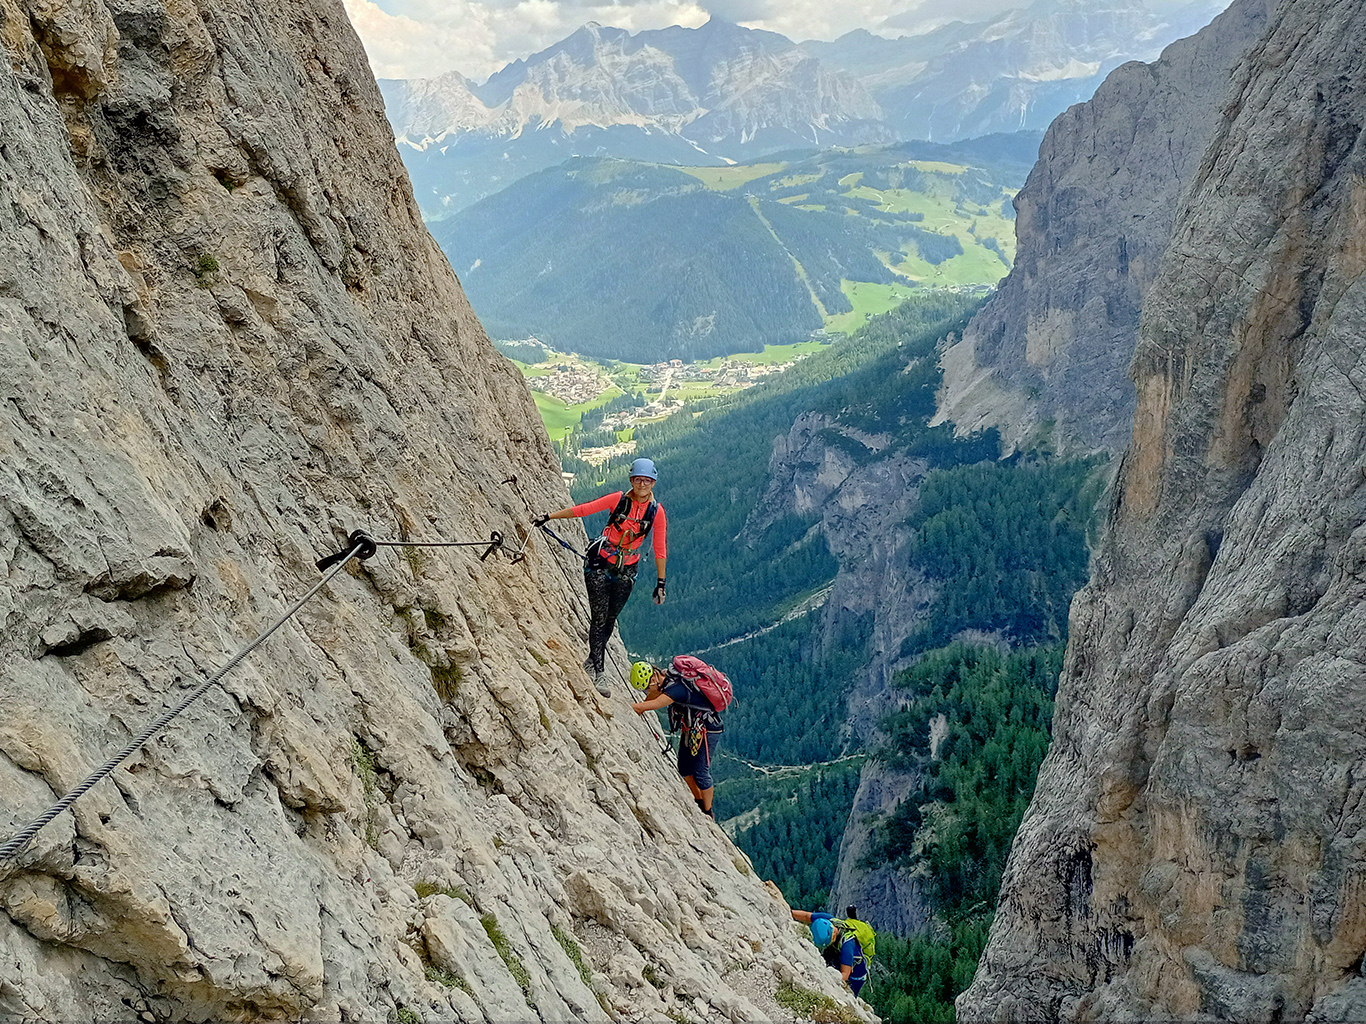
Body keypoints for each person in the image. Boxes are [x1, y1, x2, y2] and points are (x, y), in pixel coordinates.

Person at [535, 458, 666, 696]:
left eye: (647, 480)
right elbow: (584, 509)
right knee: (599, 617)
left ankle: (592, 660)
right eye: (638, 479)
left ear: (653, 483)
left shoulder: (656, 512)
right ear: (632, 480)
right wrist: (549, 517)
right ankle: (599, 670)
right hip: (600, 564)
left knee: (609, 619)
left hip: (627, 570)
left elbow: (660, 547)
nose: (642, 484)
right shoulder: (617, 500)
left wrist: (661, 582)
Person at [630, 659, 723, 818]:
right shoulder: (667, 678)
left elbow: (658, 702)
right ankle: (698, 802)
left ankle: (708, 812)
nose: (646, 691)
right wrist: (642, 704)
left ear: (653, 679)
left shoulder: (676, 688)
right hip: (693, 728)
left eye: (646, 688)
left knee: (700, 772)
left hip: (708, 729)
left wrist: (634, 707)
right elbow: (653, 696)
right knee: (685, 768)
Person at [791, 909, 869, 997]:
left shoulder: (847, 946)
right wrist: (789, 912)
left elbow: (845, 974)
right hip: (838, 954)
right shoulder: (829, 921)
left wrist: (828, 981)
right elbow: (806, 916)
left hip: (856, 973)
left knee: (849, 994)